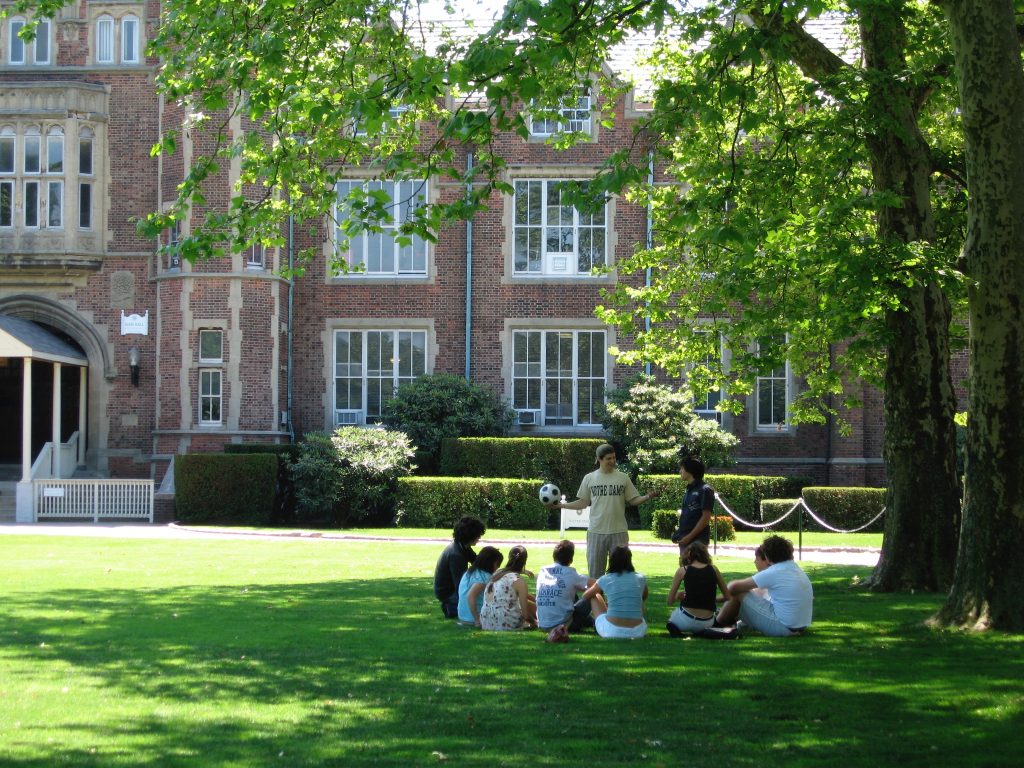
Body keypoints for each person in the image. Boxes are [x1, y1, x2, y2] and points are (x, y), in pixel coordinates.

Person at [550, 443, 660, 578]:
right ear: (599, 459)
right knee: (595, 576)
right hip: (596, 532)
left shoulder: (623, 477)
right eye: (609, 458)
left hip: (619, 531)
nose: (612, 461)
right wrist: (561, 506)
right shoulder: (589, 478)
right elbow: (583, 503)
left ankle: (615, 600)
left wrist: (648, 496)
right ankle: (597, 600)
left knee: (620, 574)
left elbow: (633, 500)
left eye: (614, 458)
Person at [716, 534, 813, 637]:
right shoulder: (795, 568)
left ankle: (716, 624)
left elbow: (734, 586)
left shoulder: (775, 571)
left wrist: (718, 599)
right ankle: (726, 620)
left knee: (739, 593)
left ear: (767, 556)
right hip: (799, 627)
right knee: (753, 593)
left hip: (783, 628)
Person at [583, 545, 648, 639]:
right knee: (637, 599)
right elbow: (644, 595)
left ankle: (599, 620)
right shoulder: (640, 578)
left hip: (612, 631)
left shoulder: (605, 579)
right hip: (638, 631)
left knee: (594, 595)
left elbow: (586, 596)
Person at [666, 541, 731, 635]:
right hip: (707, 622)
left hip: (686, 619)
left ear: (688, 555)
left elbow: (669, 601)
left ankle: (680, 628)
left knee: (672, 618)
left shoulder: (683, 570)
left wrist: (677, 596)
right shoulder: (714, 569)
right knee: (710, 619)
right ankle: (700, 631)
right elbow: (727, 597)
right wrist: (711, 599)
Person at [535, 540, 595, 633]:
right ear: (571, 559)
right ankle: (599, 623)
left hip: (543, 625)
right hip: (563, 626)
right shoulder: (570, 573)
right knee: (593, 594)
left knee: (570, 594)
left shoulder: (543, 571)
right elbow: (597, 585)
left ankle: (590, 621)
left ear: (554, 556)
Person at [433, 515, 486, 618]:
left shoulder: (462, 546)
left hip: (450, 589)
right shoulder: (456, 555)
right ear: (470, 535)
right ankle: (450, 607)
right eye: (478, 535)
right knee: (481, 599)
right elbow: (461, 585)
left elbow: (478, 562)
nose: (479, 538)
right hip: (448, 593)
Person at [479, 545, 537, 631]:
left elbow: (509, 571)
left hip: (486, 621)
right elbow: (526, 615)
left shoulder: (497, 574)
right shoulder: (519, 581)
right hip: (505, 623)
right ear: (525, 561)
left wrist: (522, 571)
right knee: (527, 605)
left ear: (509, 557)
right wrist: (535, 623)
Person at [670, 456, 714, 562]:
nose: (680, 471)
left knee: (697, 572)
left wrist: (689, 537)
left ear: (689, 471)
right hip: (685, 539)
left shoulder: (704, 490)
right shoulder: (689, 490)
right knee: (686, 571)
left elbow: (706, 517)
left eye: (682, 468)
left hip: (697, 542)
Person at [457, 546, 504, 627]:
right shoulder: (484, 577)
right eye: (497, 564)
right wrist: (477, 620)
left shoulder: (471, 572)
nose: (497, 568)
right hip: (473, 618)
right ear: (492, 563)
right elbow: (470, 596)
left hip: (463, 616)